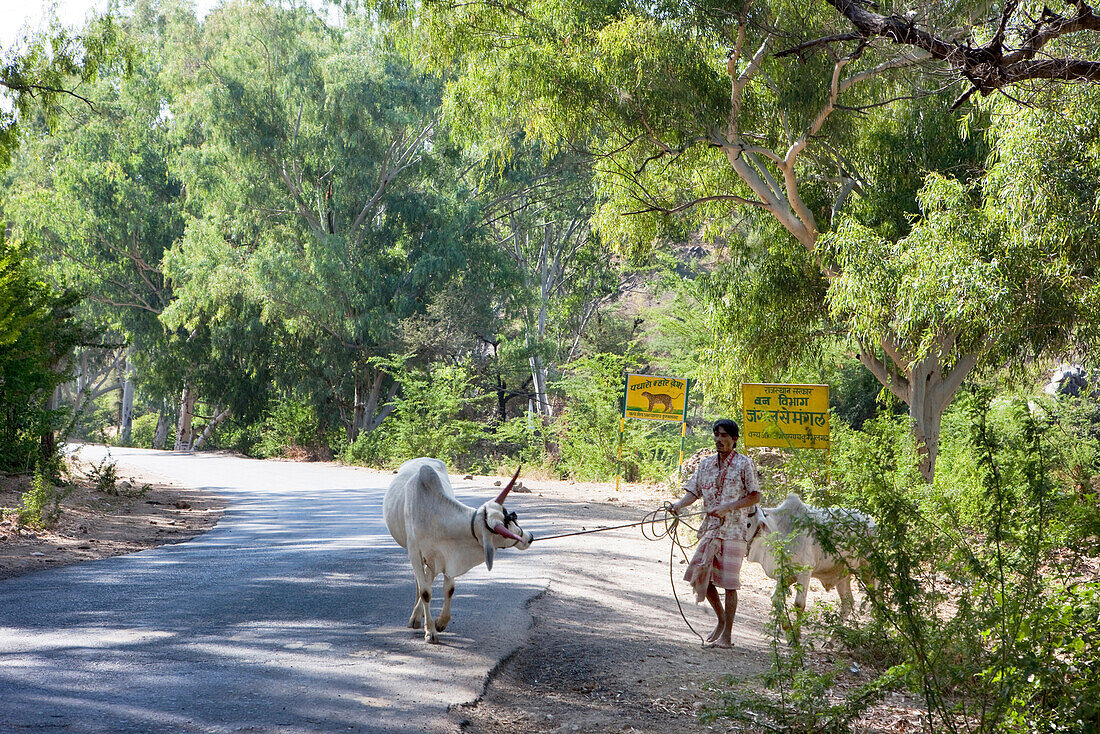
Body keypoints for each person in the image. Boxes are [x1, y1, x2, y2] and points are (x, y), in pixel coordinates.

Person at [668, 419, 761, 648]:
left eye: (724, 436)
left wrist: (728, 507)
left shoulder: (744, 464)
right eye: (716, 435)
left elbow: (755, 496)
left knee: (730, 583)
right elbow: (693, 492)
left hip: (735, 531)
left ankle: (727, 636)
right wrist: (678, 506)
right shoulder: (706, 464)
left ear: (734, 439)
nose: (719, 440)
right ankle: (721, 620)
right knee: (701, 575)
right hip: (710, 529)